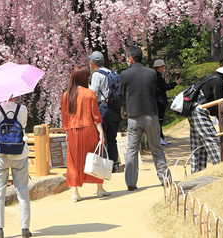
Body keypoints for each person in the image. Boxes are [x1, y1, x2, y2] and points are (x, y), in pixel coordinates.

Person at [119, 45, 169, 190]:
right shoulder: (151, 73)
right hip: (151, 114)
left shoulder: (125, 74)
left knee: (132, 150)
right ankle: (164, 178)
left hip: (134, 115)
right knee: (156, 147)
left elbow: (122, 93)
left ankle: (131, 183)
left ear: (130, 58)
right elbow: (153, 90)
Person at [61, 66, 109, 201]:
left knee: (74, 161)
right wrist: (101, 133)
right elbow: (96, 116)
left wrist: (67, 133)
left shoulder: (67, 95)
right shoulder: (89, 93)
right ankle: (99, 188)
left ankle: (75, 192)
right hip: (89, 130)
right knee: (95, 157)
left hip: (73, 131)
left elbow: (65, 117)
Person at [0, 98, 31, 238]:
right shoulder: (22, 108)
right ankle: (25, 228)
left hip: (0, 154)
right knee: (23, 190)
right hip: (20, 153)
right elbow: (23, 125)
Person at [188, 58, 223, 173]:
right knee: (212, 142)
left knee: (199, 146)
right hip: (200, 111)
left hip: (194, 110)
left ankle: (196, 173)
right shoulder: (219, 82)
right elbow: (218, 104)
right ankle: (222, 171)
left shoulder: (214, 78)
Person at [89, 51, 121, 171]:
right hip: (115, 109)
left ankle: (102, 165)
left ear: (92, 63)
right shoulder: (111, 72)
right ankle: (115, 165)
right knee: (112, 138)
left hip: (103, 108)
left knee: (100, 137)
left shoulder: (97, 75)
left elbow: (93, 93)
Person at [152, 59, 181, 146]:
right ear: (159, 67)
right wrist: (175, 83)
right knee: (159, 120)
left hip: (158, 100)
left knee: (159, 120)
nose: (164, 68)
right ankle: (160, 138)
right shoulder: (157, 77)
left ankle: (161, 137)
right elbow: (166, 87)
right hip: (159, 101)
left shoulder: (155, 76)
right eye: (163, 67)